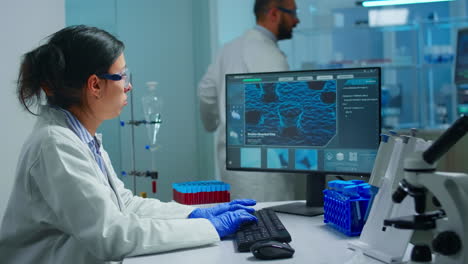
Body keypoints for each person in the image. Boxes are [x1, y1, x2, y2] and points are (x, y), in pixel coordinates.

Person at [0, 25, 257, 264]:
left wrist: (195, 214)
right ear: (95, 85)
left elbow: (125, 205)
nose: (129, 85)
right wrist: (210, 228)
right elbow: (111, 235)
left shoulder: (77, 136)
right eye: (122, 76)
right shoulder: (55, 144)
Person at [198, 0, 303, 201]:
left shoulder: (229, 48)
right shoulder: (270, 55)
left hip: (233, 164)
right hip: (265, 170)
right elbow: (281, 110)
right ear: (274, 14)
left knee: (243, 223)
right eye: (293, 13)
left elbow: (206, 92)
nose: (296, 20)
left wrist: (211, 123)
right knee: (270, 224)